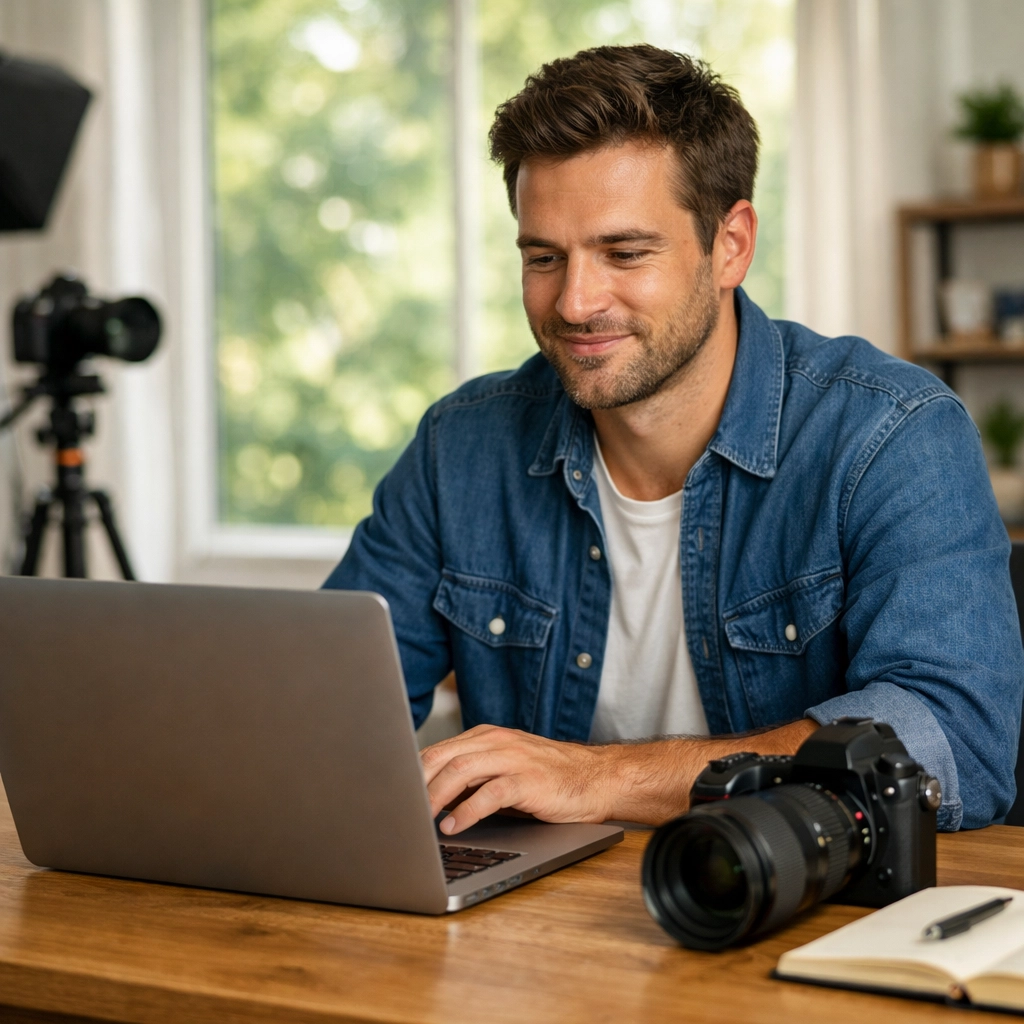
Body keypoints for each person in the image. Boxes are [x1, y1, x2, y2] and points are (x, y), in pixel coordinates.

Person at [324, 44, 1022, 836]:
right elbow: (327, 711)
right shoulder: (462, 446)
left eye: (624, 253)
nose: (576, 302)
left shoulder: (890, 435)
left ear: (731, 245)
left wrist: (600, 779)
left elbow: (952, 741)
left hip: (793, 920)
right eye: (544, 258)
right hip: (532, 925)